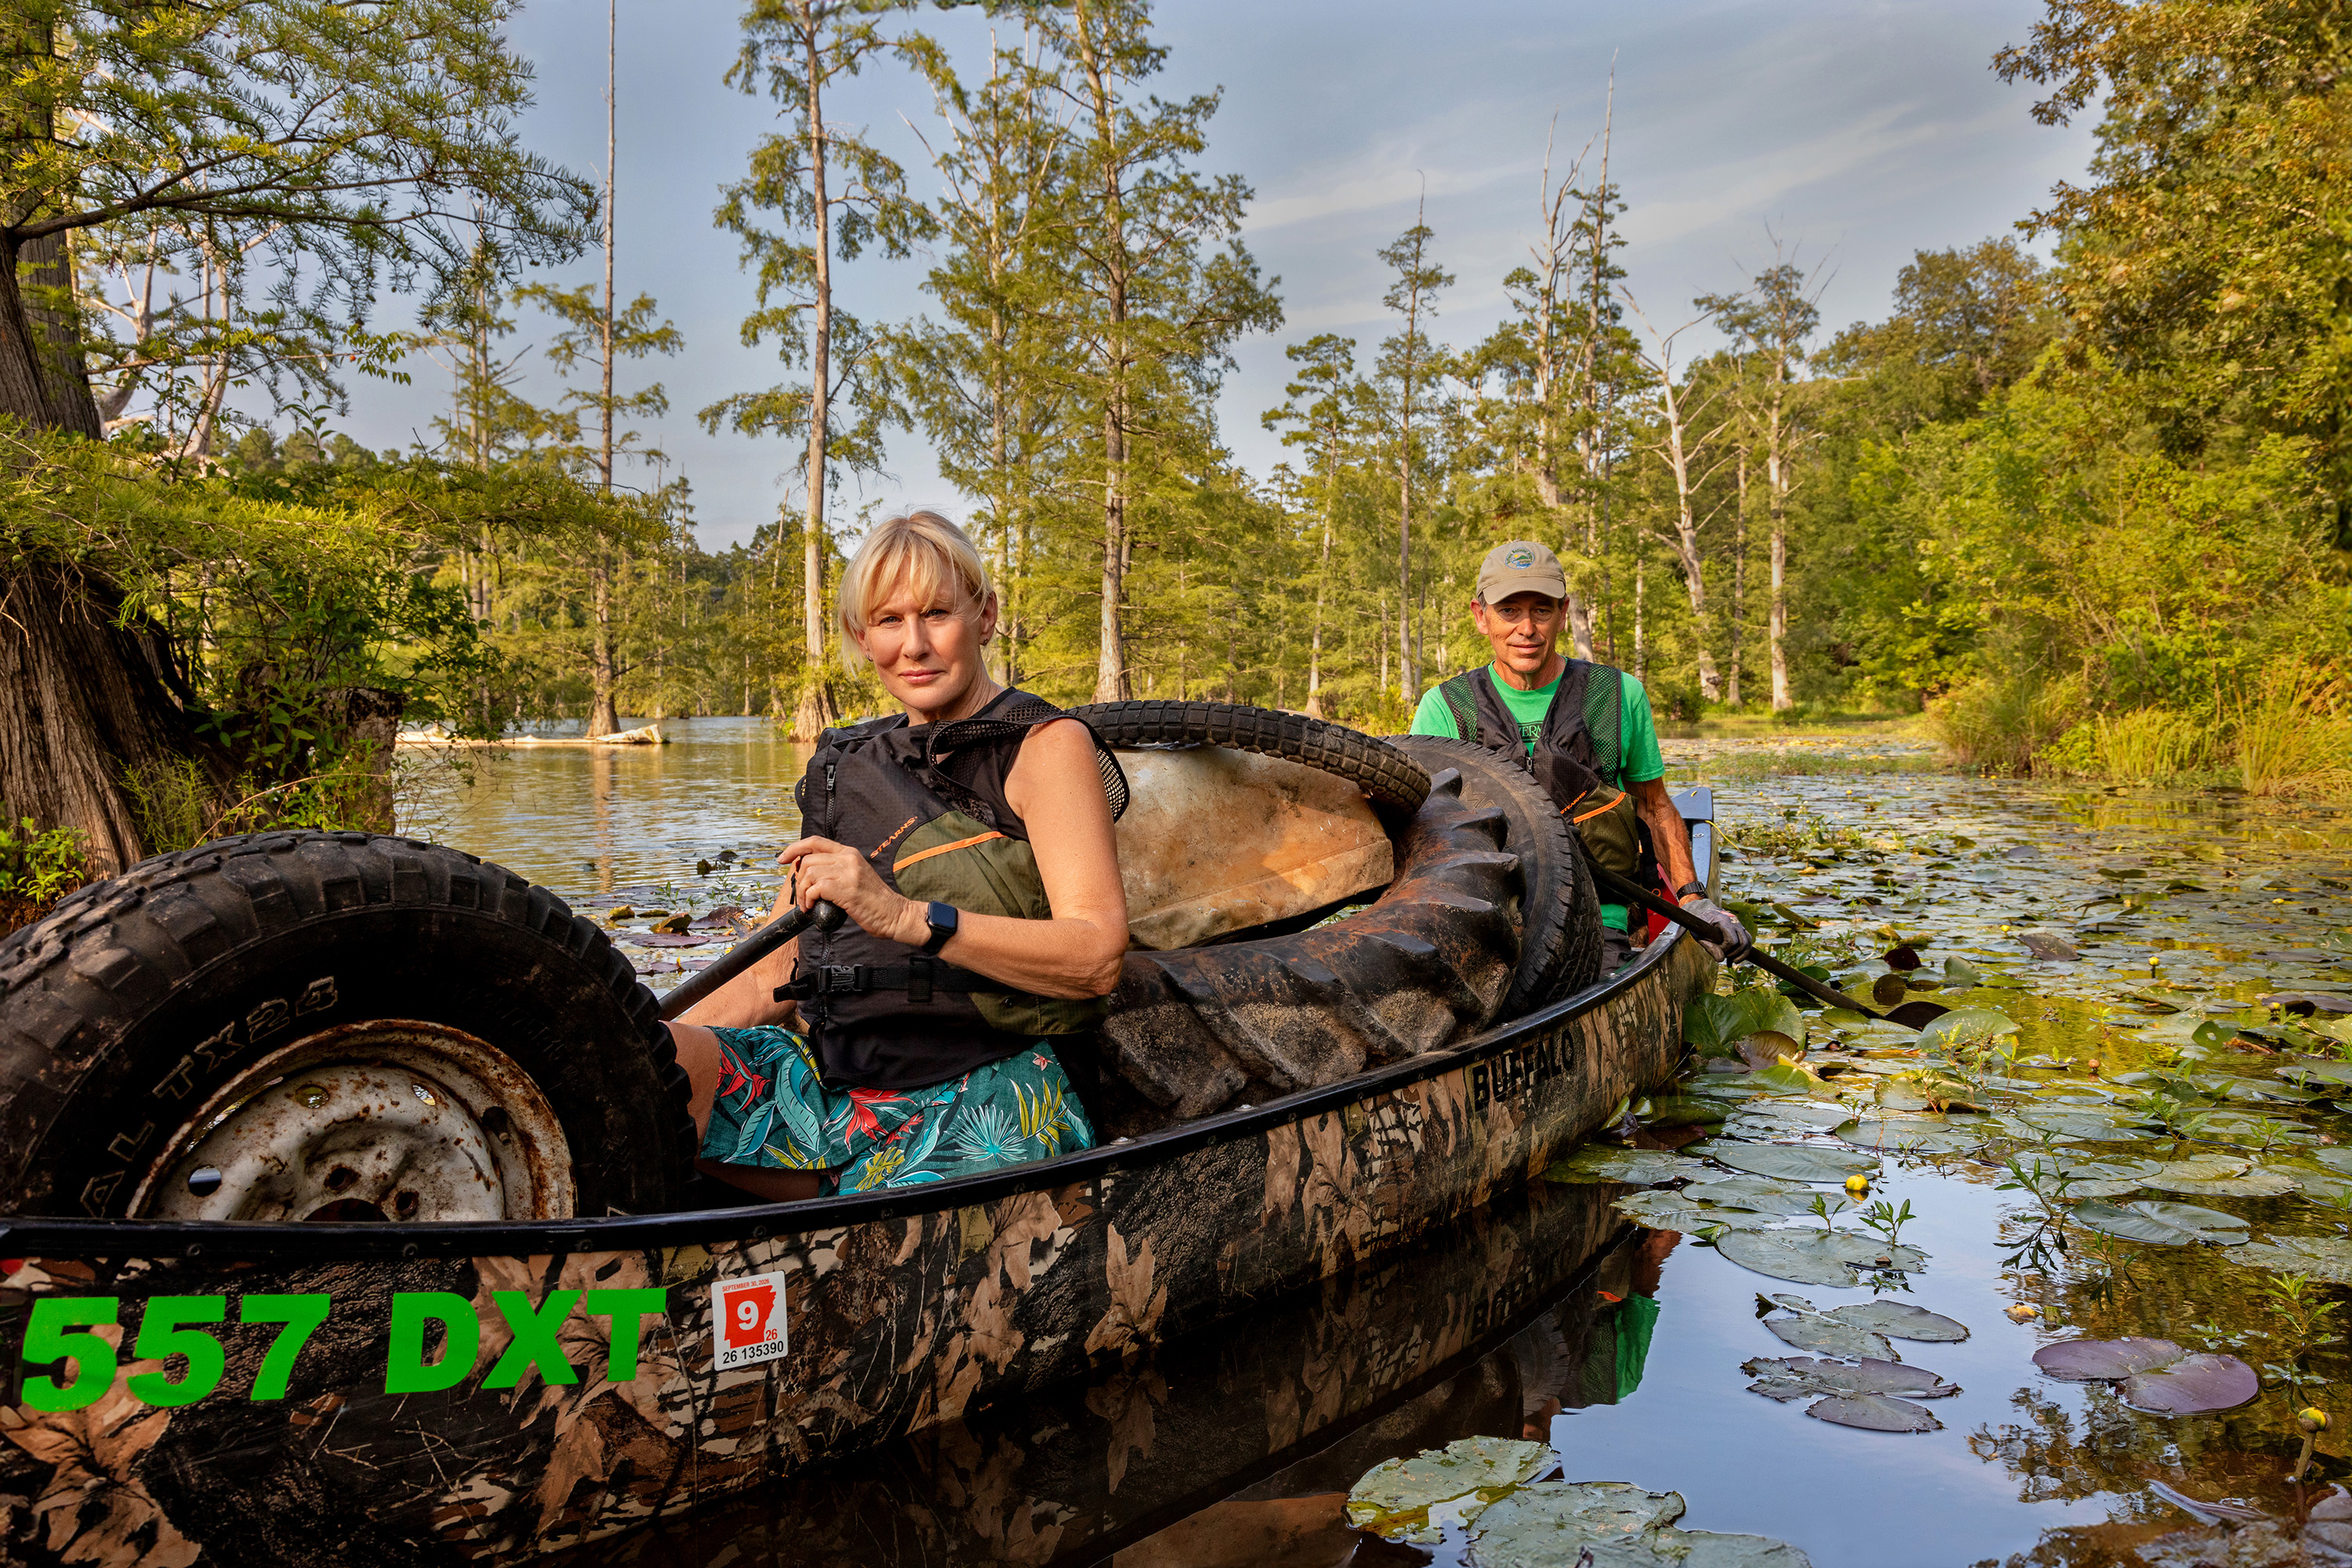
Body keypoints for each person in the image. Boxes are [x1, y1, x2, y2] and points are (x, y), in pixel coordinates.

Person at [668, 511, 1129, 1200]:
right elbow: (775, 963)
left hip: (989, 1090)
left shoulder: (1046, 746)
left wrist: (909, 917)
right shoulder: (843, 766)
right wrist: (633, 1043)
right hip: (834, 1086)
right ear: (863, 636)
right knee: (653, 1066)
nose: (914, 645)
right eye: (889, 621)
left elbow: (1096, 957)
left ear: (985, 616)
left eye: (937, 613)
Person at [1409, 539, 1749, 975]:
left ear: (1563, 613)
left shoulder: (1620, 695)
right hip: (1490, 923)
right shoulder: (1444, 707)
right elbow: (1426, 832)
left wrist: (1693, 898)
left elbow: (1654, 805)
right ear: (1481, 616)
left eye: (1542, 610)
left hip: (1598, 918)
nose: (1527, 629)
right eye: (1509, 611)